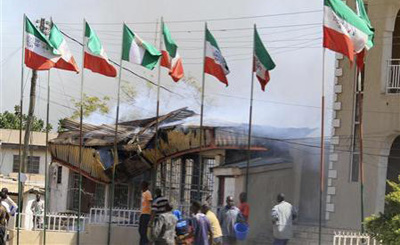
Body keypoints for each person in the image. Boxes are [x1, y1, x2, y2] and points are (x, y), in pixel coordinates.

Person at [139, 181, 152, 245]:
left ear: (145, 186)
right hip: (143, 213)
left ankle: (146, 243)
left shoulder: (148, 193)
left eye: (142, 185)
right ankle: (143, 242)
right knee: (140, 230)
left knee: (143, 231)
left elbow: (150, 201)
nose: (141, 187)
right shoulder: (143, 193)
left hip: (146, 214)